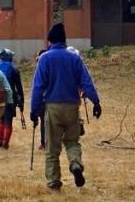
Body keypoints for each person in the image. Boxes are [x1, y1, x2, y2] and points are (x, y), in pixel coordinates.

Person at [30, 23, 102, 191]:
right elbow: (86, 81)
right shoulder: (74, 58)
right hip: (72, 107)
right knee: (72, 142)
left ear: (49, 41)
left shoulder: (45, 59)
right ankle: (75, 164)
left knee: (52, 148)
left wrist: (34, 110)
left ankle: (54, 183)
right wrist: (96, 102)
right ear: (64, 40)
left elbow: (38, 86)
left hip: (53, 107)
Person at [0, 48, 25, 149]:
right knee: (8, 120)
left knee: (1, 119)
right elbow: (19, 87)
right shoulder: (14, 69)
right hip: (10, 98)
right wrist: (21, 102)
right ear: (9, 57)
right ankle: (5, 142)